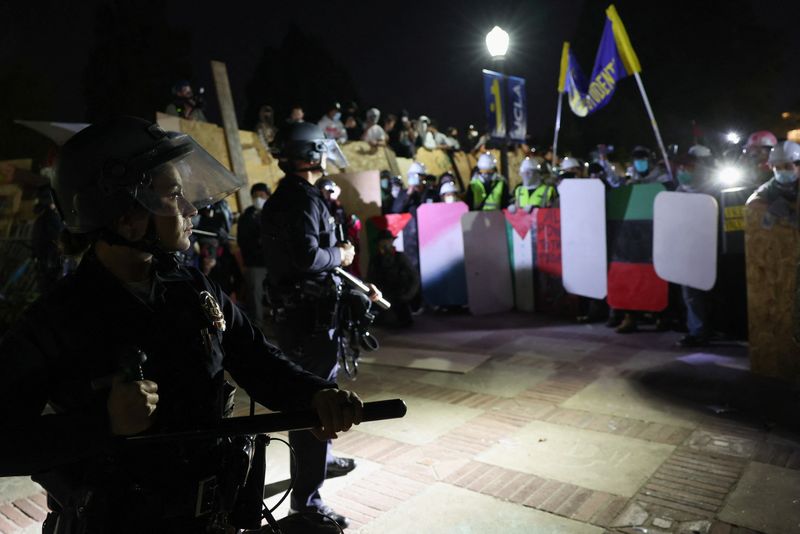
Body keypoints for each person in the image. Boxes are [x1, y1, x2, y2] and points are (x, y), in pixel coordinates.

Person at [0, 116, 364, 532]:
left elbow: (256, 359)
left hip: (213, 516)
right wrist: (102, 423)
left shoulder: (192, 286)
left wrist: (315, 394)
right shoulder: (58, 318)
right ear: (127, 218)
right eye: (173, 195)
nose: (192, 207)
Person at [261, 122, 382, 529]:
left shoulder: (291, 197)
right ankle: (306, 502)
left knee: (320, 390)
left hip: (304, 317)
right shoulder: (301, 201)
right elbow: (306, 259)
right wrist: (342, 254)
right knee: (314, 404)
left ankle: (322, 462)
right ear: (312, 154)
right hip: (308, 320)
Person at [368, 229, 419, 326]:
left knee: (403, 320)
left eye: (387, 240)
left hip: (399, 295)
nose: (385, 243)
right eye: (382, 241)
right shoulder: (375, 260)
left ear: (391, 241)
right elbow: (370, 278)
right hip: (382, 295)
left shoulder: (400, 257)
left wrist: (408, 295)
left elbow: (414, 276)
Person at [237, 183, 271, 326]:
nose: (258, 198)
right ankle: (258, 325)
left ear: (267, 195)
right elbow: (242, 240)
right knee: (255, 294)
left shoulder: (273, 211)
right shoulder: (247, 216)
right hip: (255, 263)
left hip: (273, 261)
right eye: (255, 196)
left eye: (261, 195)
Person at [747, 140, 800, 227]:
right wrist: (769, 206)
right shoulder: (772, 186)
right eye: (777, 167)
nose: (782, 171)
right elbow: (751, 202)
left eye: (787, 166)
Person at [31, 186, 65, 295]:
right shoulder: (52, 218)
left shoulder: (42, 219)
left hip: (44, 262)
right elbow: (56, 238)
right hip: (50, 263)